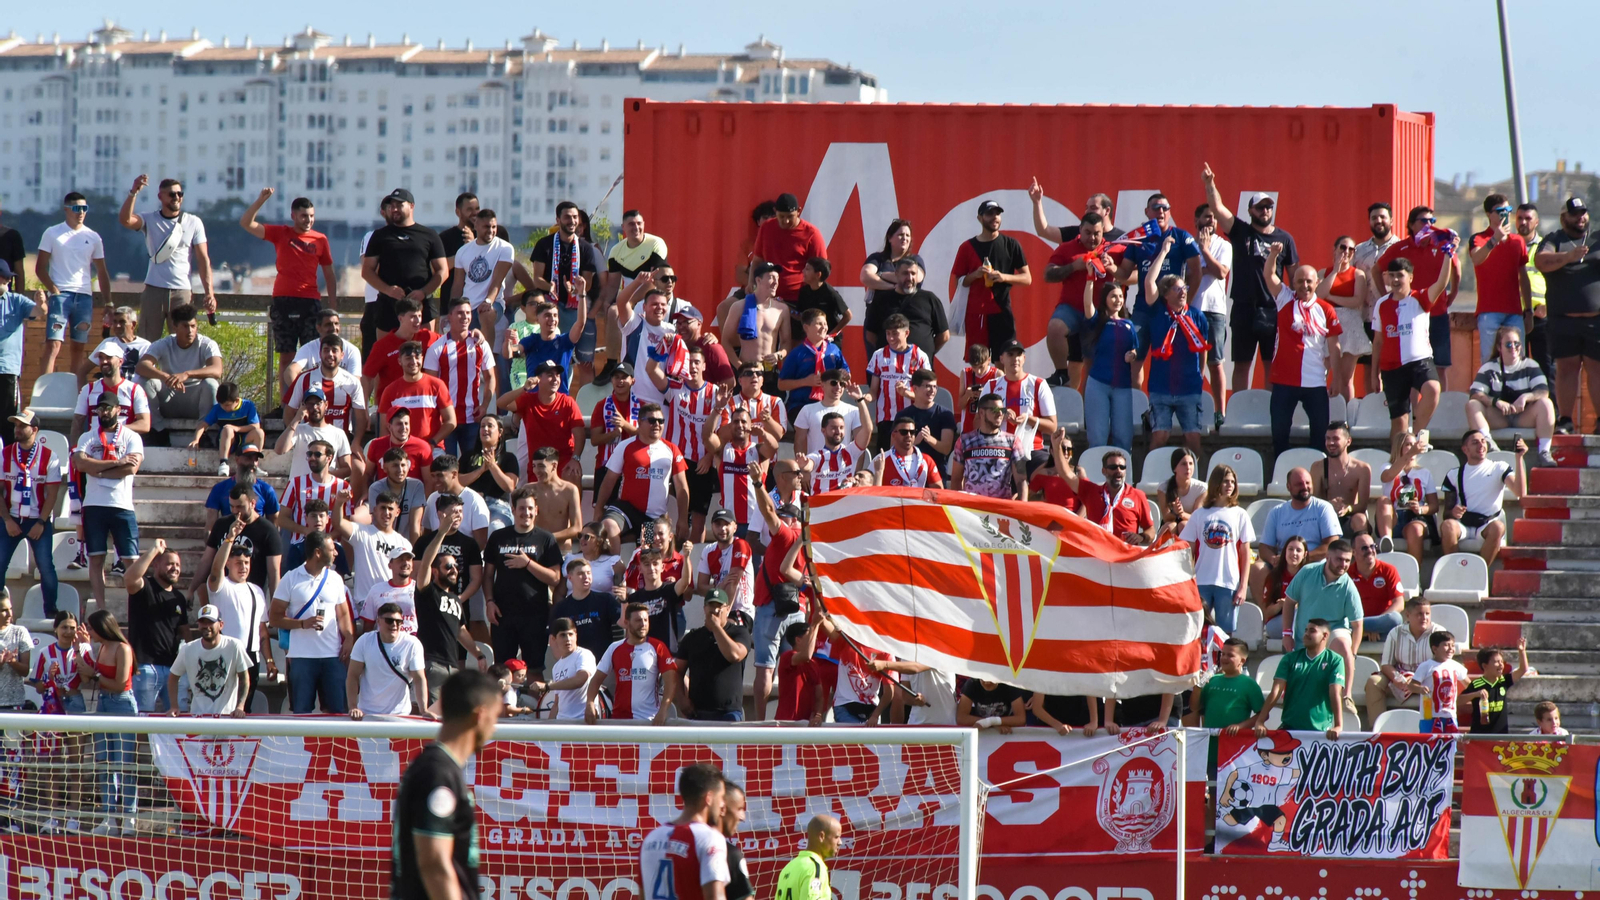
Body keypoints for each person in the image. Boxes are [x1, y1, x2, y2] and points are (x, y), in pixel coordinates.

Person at [392, 669, 500, 900]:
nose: (494, 729)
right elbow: (435, 864)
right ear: (480, 716)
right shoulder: (438, 773)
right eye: (495, 718)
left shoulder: (433, 767)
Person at [1203, 164, 1298, 393]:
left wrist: (1294, 309)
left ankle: (1268, 413)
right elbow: (1217, 207)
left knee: (1270, 364)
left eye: (1268, 207)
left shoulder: (1285, 238)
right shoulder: (1241, 231)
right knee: (1242, 364)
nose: (1265, 211)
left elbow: (1294, 278)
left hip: (1272, 308)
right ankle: (1237, 411)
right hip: (1244, 306)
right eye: (1260, 207)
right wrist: (1209, 183)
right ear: (1251, 211)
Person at [240, 189, 335, 384]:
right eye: (303, 216)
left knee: (313, 356)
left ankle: (311, 398)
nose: (308, 220)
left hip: (310, 302)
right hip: (284, 301)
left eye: (311, 216)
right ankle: (286, 404)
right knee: (286, 356)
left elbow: (330, 275)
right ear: (293, 216)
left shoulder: (320, 239)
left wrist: (332, 309)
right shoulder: (281, 233)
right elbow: (246, 223)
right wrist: (261, 200)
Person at [1262, 244, 1341, 458]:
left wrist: (1336, 378)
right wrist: (1273, 255)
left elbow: (1335, 346)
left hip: (1315, 381)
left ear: (1317, 282)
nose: (1304, 286)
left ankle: (1316, 475)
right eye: (1300, 281)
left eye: (1309, 281)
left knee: (1319, 436)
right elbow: (1269, 274)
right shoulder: (1285, 299)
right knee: (1279, 434)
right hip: (1284, 380)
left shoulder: (1326, 309)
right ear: (1293, 283)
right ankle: (1281, 472)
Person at [118, 175, 216, 339]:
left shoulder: (193, 222)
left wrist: (209, 292)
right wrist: (133, 192)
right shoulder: (149, 219)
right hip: (154, 289)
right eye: (171, 194)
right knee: (147, 340)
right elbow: (126, 220)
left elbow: (203, 259)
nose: (176, 197)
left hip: (181, 291)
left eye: (180, 194)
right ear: (160, 197)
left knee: (183, 340)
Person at [1377, 206, 1463, 382]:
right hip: (1410, 316)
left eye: (1432, 221)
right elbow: (1376, 270)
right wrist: (1383, 296)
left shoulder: (1442, 245)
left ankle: (1438, 408)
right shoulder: (1400, 248)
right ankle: (1412, 407)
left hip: (1437, 313)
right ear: (1411, 224)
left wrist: (1452, 295)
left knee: (1440, 366)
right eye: (1424, 221)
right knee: (1411, 365)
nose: (1429, 225)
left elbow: (1456, 268)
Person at [1371, 257, 1451, 447]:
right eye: (1392, 276)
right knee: (1398, 422)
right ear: (1387, 278)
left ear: (1411, 277)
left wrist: (1447, 255)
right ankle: (1397, 462)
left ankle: (1413, 437)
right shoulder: (1381, 304)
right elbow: (1378, 341)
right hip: (1391, 367)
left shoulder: (1420, 297)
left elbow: (1441, 283)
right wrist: (1375, 375)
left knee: (1433, 389)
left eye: (1400, 275)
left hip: (1419, 361)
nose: (1396, 280)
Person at [74, 394, 144, 610]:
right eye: (99, 409)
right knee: (96, 559)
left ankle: (138, 604)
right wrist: (117, 462)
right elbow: (80, 464)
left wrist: (99, 470)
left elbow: (131, 468)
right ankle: (102, 608)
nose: (103, 412)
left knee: (131, 560)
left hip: (121, 505)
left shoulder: (131, 437)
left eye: (107, 408)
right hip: (94, 505)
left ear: (118, 409)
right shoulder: (88, 437)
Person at [271, 531, 353, 714]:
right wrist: (302, 624)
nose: (336, 553)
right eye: (332, 549)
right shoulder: (290, 579)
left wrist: (349, 637)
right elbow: (274, 617)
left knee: (337, 712)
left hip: (333, 656)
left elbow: (344, 614)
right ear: (318, 552)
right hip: (302, 657)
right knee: (301, 712)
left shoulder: (335, 579)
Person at [483, 485, 563, 670]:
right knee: (502, 670)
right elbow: (488, 576)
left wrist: (527, 563)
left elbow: (555, 578)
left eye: (529, 508)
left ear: (536, 510)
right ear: (512, 509)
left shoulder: (546, 539)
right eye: (521, 508)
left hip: (535, 615)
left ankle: (534, 700)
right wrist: (489, 602)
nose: (526, 513)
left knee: (534, 669)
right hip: (502, 614)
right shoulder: (498, 537)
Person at [1282, 538, 1363, 720]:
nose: (1343, 565)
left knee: (1343, 645)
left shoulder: (1349, 586)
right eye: (1339, 559)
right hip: (1306, 633)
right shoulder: (1307, 571)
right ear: (1327, 557)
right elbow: (1289, 602)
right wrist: (1287, 633)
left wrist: (1353, 653)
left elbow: (1357, 624)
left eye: (1347, 561)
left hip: (1334, 629)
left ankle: (1347, 695)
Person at [1043, 211, 1126, 388]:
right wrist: (1074, 266)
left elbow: (1132, 276)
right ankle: (1060, 373)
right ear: (1080, 230)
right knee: (1055, 328)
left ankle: (1089, 407)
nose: (1092, 238)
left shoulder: (1116, 249)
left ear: (1103, 231)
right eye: (1088, 232)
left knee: (1090, 364)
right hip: (1071, 308)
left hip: (1100, 312)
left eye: (1097, 233)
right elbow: (1048, 275)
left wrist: (1113, 268)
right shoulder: (1066, 248)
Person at [414, 511, 490, 704]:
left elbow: (461, 631)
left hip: (453, 666)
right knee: (433, 720)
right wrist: (441, 532)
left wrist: (478, 654)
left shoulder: (455, 600)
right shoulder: (427, 591)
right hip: (431, 663)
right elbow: (424, 565)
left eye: (455, 566)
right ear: (435, 571)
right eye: (448, 566)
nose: (454, 569)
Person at [37, 192, 112, 380]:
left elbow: (102, 271)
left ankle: (75, 393)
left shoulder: (93, 236)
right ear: (66, 209)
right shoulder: (52, 233)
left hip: (84, 297)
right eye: (76, 208)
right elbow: (40, 267)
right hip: (61, 295)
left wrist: (108, 302)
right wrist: (54, 290)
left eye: (84, 208)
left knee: (79, 346)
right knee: (53, 344)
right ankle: (45, 392)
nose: (81, 213)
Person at [594, 403, 691, 547]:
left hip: (652, 518)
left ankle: (633, 542)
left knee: (647, 553)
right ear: (639, 422)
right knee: (608, 526)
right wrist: (598, 509)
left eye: (661, 421)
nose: (657, 424)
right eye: (651, 421)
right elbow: (609, 481)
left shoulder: (672, 449)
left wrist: (683, 519)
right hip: (625, 509)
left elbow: (682, 487)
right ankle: (614, 566)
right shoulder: (625, 446)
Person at [1143, 250, 1209, 454]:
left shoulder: (1197, 316)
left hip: (1189, 388)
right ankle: (1148, 473)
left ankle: (1198, 479)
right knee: (1160, 435)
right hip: (1160, 387)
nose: (1182, 292)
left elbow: (1203, 350)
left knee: (1193, 438)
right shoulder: (1157, 312)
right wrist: (1163, 252)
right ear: (1165, 294)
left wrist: (1200, 376)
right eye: (1176, 289)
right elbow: (1149, 283)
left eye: (1184, 288)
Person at [79, 609, 138, 835]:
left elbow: (120, 683)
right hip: (103, 703)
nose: (90, 632)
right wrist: (81, 649)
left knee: (124, 764)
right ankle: (109, 817)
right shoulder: (101, 647)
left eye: (92, 628)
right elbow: (90, 675)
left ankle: (129, 819)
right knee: (104, 762)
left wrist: (94, 675)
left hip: (121, 705)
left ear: (103, 627)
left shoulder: (123, 648)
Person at [362, 188, 448, 342]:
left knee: (425, 354)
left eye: (399, 205)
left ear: (412, 206)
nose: (394, 209)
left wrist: (423, 292)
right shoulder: (380, 236)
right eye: (392, 205)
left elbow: (443, 271)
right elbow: (367, 271)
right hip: (388, 305)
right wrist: (388, 290)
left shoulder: (429, 235)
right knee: (386, 354)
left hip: (421, 305)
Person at [206, 519, 274, 711]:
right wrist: (230, 537)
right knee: (225, 705)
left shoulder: (257, 591)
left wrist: (269, 660)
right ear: (228, 563)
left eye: (246, 562)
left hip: (251, 656)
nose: (243, 567)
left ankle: (241, 742)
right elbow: (215, 569)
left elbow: (262, 630)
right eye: (238, 563)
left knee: (245, 708)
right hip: (226, 653)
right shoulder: (221, 586)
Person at [1467, 325, 1559, 466]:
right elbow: (1475, 393)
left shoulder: (1530, 365)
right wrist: (1495, 402)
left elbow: (1543, 391)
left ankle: (1544, 452)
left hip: (1524, 417)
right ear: (1499, 347)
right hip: (1499, 417)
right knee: (1472, 405)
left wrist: (1525, 397)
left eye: (1517, 344)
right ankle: (1488, 443)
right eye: (1508, 344)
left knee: (1546, 403)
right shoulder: (1489, 368)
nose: (1513, 348)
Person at [1, 409, 63, 614]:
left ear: (34, 430)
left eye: (22, 426)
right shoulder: (5, 454)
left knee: (46, 566)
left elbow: (52, 494)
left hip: (37, 519)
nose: (17, 429)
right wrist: (7, 520)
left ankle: (51, 612)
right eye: (16, 425)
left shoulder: (49, 456)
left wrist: (41, 522)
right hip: (11, 517)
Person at [531, 202, 604, 377]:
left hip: (577, 306)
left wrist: (575, 288)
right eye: (567, 217)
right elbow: (536, 279)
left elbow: (588, 280)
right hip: (552, 305)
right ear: (558, 220)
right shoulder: (544, 244)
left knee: (585, 362)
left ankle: (584, 404)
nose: (572, 221)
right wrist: (551, 286)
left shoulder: (585, 248)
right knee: (556, 358)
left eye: (575, 217)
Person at [640, 764, 731, 900]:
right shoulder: (709, 838)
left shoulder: (650, 839)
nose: (723, 804)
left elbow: (643, 896)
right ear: (709, 798)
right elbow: (716, 897)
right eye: (722, 797)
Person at [1180, 466, 1254, 634]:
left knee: (1225, 634)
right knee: (1198, 631)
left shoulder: (1240, 514)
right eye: (1225, 481)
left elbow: (1245, 554)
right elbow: (1187, 552)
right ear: (1215, 483)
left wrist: (1243, 587)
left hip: (1228, 582)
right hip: (1201, 581)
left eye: (1233, 482)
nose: (1230, 485)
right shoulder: (1199, 515)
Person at [1250, 468, 1341, 603]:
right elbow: (1264, 547)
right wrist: (1274, 559)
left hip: (1313, 563)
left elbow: (1332, 544)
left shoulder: (1323, 508)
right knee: (1257, 568)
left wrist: (1300, 558)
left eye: (1308, 483)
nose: (1305, 487)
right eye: (1299, 484)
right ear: (1289, 487)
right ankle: (1266, 615)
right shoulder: (1277, 512)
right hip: (1283, 564)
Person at [137, 304, 225, 440]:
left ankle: (206, 433)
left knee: (211, 383)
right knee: (145, 381)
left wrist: (187, 374)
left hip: (195, 401)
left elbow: (217, 369)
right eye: (185, 326)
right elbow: (141, 366)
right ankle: (157, 431)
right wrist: (166, 377)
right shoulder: (164, 343)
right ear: (175, 327)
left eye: (193, 326)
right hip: (170, 399)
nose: (190, 331)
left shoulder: (207, 343)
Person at [1441, 430, 1528, 567]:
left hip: (1486, 524)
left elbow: (1520, 492)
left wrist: (1519, 458)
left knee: (1498, 527)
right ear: (1465, 449)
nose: (1481, 445)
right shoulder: (1453, 474)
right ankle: (1454, 569)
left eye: (1483, 441)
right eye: (1475, 442)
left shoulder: (1499, 467)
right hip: (1463, 524)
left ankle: (1479, 572)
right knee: (1447, 526)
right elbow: (1446, 514)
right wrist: (1453, 512)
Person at [953, 200, 1031, 351]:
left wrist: (1004, 277)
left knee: (1004, 359)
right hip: (977, 314)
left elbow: (1027, 278)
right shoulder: (967, 247)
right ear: (979, 218)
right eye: (989, 214)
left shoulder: (1011, 244)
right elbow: (959, 283)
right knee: (979, 362)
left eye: (997, 213)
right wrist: (975, 275)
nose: (994, 217)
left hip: (1002, 310)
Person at [121, 538, 187, 714]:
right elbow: (129, 578)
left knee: (179, 718)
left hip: (173, 669)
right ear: (156, 564)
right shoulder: (145, 587)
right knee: (143, 719)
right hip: (145, 666)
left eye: (178, 565)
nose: (175, 568)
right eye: (170, 564)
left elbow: (184, 631)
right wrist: (153, 550)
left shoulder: (179, 597)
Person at [425, 298, 497, 459]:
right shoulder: (437, 347)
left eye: (467, 313)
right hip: (445, 419)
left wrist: (485, 405)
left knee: (472, 464)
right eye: (459, 313)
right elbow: (429, 384)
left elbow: (491, 377)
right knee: (446, 466)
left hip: (472, 416)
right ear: (449, 317)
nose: (464, 317)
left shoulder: (480, 344)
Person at [588, 602, 678, 724]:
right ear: (626, 622)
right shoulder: (614, 648)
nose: (643, 624)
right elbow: (596, 680)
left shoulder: (658, 647)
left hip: (649, 720)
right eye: (638, 620)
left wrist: (663, 711)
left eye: (646, 620)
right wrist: (590, 703)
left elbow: (671, 681)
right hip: (619, 720)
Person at [1253, 618, 1344, 740]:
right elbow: (1276, 691)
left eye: (1312, 631)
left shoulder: (1335, 660)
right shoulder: (1290, 658)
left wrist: (1338, 725)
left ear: (1325, 636)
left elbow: (1335, 692)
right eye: (1305, 630)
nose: (1306, 634)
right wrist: (1260, 721)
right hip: (1289, 729)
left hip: (1320, 732)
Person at [1469, 193, 1530, 365]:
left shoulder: (1518, 241)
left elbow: (1523, 276)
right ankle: (1491, 391)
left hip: (1515, 311)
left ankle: (1516, 391)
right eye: (1500, 211)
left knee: (1517, 359)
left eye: (1508, 210)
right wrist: (1495, 239)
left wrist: (1529, 311)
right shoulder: (1479, 239)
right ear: (1489, 214)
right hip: (1489, 311)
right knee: (1489, 359)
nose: (1505, 214)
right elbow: (1476, 258)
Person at [1362, 597, 1443, 726]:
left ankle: (1436, 730)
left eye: (1427, 614)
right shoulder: (1395, 633)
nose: (1424, 618)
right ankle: (1377, 731)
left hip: (1428, 680)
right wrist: (1397, 678)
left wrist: (1417, 679)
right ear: (1408, 615)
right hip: (1400, 679)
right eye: (1419, 614)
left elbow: (1443, 665)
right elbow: (1386, 664)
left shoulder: (1438, 633)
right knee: (1373, 683)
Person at [501, 360, 586, 483]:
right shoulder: (528, 400)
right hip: (538, 466)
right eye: (550, 375)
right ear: (538, 378)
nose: (555, 379)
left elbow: (579, 434)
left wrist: (576, 459)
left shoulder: (568, 402)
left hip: (563, 463)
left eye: (557, 375)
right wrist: (524, 388)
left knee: (573, 472)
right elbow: (502, 403)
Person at [1080, 282, 1140, 451]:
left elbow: (1134, 349)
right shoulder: (1097, 321)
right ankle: (1095, 476)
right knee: (1097, 437)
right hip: (1098, 384)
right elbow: (1087, 304)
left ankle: (1123, 475)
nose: (1118, 300)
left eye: (1120, 296)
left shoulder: (1129, 325)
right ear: (1104, 299)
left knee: (1123, 437)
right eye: (1113, 296)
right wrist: (1091, 279)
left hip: (1122, 387)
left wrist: (1132, 355)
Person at [676, 589, 753, 721]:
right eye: (711, 606)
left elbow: (734, 655)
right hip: (698, 712)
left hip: (729, 713)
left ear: (728, 609)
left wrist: (716, 628)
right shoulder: (692, 638)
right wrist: (681, 699)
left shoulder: (739, 633)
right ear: (704, 608)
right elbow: (676, 671)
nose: (715, 610)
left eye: (720, 607)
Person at [347, 601, 430, 719]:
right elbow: (352, 676)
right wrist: (353, 707)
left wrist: (424, 710)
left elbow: (419, 678)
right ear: (378, 621)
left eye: (399, 622)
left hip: (400, 715)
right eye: (389, 621)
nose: (394, 625)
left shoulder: (412, 644)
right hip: (367, 713)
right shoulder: (364, 641)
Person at [1056, 448, 1155, 546]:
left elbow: (1151, 530)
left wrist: (1141, 537)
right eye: (1113, 467)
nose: (1118, 470)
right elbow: (1066, 474)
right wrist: (1056, 445)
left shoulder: (1137, 495)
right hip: (1098, 555)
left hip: (1126, 556)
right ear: (1104, 471)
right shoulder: (1092, 491)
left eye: (1122, 467)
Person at [168, 604, 251, 718]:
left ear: (221, 625)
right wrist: (174, 706)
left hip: (227, 717)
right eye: (202, 622)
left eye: (210, 622)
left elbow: (244, 677)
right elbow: (173, 677)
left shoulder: (234, 646)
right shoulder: (188, 649)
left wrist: (240, 706)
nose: (206, 626)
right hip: (198, 718)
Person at [982, 340, 1057, 465]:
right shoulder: (991, 386)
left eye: (1019, 354)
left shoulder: (1039, 384)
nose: (1015, 358)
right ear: (1001, 359)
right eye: (1010, 354)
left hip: (1032, 450)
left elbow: (1052, 427)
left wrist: (1028, 419)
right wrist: (999, 414)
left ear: (1024, 358)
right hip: (998, 450)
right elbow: (978, 422)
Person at [286, 335, 369, 448]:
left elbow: (361, 417)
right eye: (326, 350)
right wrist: (294, 438)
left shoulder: (352, 382)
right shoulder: (304, 378)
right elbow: (289, 412)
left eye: (334, 350)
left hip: (339, 444)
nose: (330, 354)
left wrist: (356, 442)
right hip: (308, 444)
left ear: (342, 355)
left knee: (358, 466)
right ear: (320, 354)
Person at [1315, 236, 1370, 404]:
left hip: (1350, 326)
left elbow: (1356, 301)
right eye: (1343, 247)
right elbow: (1317, 295)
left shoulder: (1358, 274)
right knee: (1319, 374)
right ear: (1335, 249)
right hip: (1326, 325)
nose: (1346, 252)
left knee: (1346, 378)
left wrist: (1331, 296)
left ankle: (1346, 418)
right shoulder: (1324, 273)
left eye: (1351, 249)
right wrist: (1335, 271)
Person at [862, 255, 948, 360]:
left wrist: (927, 352)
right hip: (889, 369)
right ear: (896, 275)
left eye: (913, 274)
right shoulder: (881, 300)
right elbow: (871, 335)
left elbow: (944, 335)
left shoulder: (930, 299)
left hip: (920, 370)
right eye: (905, 273)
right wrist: (889, 351)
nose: (910, 278)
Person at [1193, 204, 1234, 423]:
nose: (1211, 221)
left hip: (1215, 310)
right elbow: (1188, 273)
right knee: (1195, 362)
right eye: (1207, 217)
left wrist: (1205, 250)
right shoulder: (1188, 244)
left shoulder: (1224, 245)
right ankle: (1195, 408)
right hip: (1191, 308)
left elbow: (1220, 272)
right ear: (1196, 220)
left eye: (1214, 218)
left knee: (1216, 362)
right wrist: (1205, 267)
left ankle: (1220, 412)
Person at [1373, 432, 1439, 564]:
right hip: (1392, 518)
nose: (1413, 448)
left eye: (1414, 444)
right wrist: (1408, 455)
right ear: (1399, 447)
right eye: (1408, 445)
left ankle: (1415, 576)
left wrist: (1420, 509)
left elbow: (1434, 506)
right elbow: (1387, 477)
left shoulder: (1424, 473)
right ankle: (1387, 542)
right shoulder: (1387, 466)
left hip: (1415, 518)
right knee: (1382, 500)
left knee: (1415, 529)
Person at [752, 192, 826, 305]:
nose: (785, 221)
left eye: (790, 217)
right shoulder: (766, 227)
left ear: (799, 211)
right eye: (781, 216)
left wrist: (811, 296)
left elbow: (821, 270)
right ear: (775, 211)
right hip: (765, 293)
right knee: (725, 307)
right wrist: (751, 285)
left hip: (797, 297)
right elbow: (757, 261)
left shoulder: (812, 233)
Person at [379, 341, 456, 449]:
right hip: (402, 452)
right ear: (399, 361)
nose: (414, 362)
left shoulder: (437, 385)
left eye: (417, 357)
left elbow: (451, 420)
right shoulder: (390, 391)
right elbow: (384, 428)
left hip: (433, 449)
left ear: (422, 358)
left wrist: (433, 443)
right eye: (408, 358)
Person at [777, 309, 848, 422]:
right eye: (819, 323)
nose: (824, 327)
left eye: (825, 323)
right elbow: (781, 384)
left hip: (830, 404)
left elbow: (846, 373)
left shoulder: (834, 350)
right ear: (806, 327)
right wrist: (805, 382)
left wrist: (845, 375)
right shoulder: (797, 353)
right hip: (802, 405)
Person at [949, 392, 1025, 500]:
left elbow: (1021, 479)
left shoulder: (1013, 441)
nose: (1000, 414)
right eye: (994, 410)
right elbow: (956, 479)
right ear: (981, 413)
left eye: (1002, 410)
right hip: (972, 507)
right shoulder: (964, 441)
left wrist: (1022, 507)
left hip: (1001, 508)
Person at [74, 339, 152, 441]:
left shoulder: (134, 389)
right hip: (94, 446)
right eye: (101, 358)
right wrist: (75, 449)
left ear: (120, 361)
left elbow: (145, 425)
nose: (104, 361)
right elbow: (77, 423)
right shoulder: (88, 389)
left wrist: (115, 428)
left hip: (123, 446)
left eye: (109, 357)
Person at [449, 208, 515, 329]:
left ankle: (486, 348)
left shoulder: (505, 248)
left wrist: (488, 301)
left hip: (494, 302)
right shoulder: (463, 251)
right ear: (476, 225)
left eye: (494, 227)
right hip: (468, 303)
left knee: (486, 313)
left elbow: (497, 281)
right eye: (486, 227)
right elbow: (458, 285)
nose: (491, 231)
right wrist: (452, 310)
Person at [365, 298, 441, 402]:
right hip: (391, 405)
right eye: (413, 317)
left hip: (420, 402)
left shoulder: (428, 337)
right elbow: (366, 377)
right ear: (401, 318)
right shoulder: (382, 346)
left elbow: (449, 341)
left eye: (419, 316)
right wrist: (363, 408)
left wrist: (470, 335)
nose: (418, 320)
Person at [507, 298, 587, 396]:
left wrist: (581, 294)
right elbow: (511, 353)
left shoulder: (565, 341)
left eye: (555, 315)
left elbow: (580, 323)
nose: (552, 319)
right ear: (537, 319)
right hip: (534, 399)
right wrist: (507, 342)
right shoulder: (531, 340)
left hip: (559, 400)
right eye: (547, 315)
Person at [861, 219, 917, 354]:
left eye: (908, 235)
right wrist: (894, 287)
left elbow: (918, 277)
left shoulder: (914, 260)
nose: (905, 238)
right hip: (878, 321)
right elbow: (866, 276)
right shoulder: (878, 258)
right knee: (877, 363)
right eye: (900, 235)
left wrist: (880, 275)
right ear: (890, 238)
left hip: (906, 320)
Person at [551, 556, 623, 661]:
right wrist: (564, 663)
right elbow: (553, 640)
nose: (586, 577)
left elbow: (623, 624)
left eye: (588, 573)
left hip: (605, 664)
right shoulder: (561, 608)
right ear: (570, 578)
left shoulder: (605, 600)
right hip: (576, 665)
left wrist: (624, 601)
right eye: (580, 574)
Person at [527, 617, 596, 721]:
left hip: (582, 720)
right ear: (554, 639)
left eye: (571, 634)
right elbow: (557, 702)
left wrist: (547, 686)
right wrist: (549, 728)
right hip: (562, 722)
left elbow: (580, 680)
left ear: (576, 635)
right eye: (563, 635)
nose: (568, 639)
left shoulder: (584, 655)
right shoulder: (557, 667)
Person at [1311, 421, 1372, 537]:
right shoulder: (1317, 467)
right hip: (1325, 517)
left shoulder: (1362, 468)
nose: (1330, 443)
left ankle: (1361, 551)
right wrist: (1329, 505)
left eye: (1335, 439)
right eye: (1327, 439)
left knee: (1360, 519)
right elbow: (1314, 501)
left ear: (1348, 441)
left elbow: (1363, 505)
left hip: (1350, 517)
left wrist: (1347, 508)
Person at [283, 308, 362, 394]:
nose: (333, 328)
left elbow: (355, 381)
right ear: (318, 328)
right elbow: (290, 371)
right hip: (315, 398)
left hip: (342, 397)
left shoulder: (352, 350)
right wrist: (302, 395)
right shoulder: (309, 348)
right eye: (328, 325)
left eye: (336, 324)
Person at [191, 382, 265, 473]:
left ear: (237, 400)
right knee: (227, 429)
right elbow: (203, 425)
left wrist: (236, 428)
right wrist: (196, 439)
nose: (224, 407)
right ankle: (223, 463)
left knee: (259, 432)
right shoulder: (218, 408)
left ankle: (254, 465)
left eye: (227, 405)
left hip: (245, 441)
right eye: (221, 404)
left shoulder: (248, 405)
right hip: (227, 440)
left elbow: (255, 426)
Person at [1462, 638, 1530, 734]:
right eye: (1497, 662)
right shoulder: (1477, 684)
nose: (1501, 665)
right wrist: (1475, 694)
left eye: (1502, 662)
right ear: (1485, 666)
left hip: (1500, 735)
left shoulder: (1504, 681)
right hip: (1480, 736)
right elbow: (1458, 701)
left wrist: (1522, 651)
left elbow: (1523, 669)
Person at [1517, 203, 1554, 385]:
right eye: (1520, 218)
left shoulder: (1545, 248)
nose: (1523, 222)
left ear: (1536, 222)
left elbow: (1556, 280)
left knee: (1545, 367)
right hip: (1514, 315)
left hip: (1541, 315)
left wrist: (1548, 306)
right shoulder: (1509, 246)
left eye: (1528, 218)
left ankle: (1551, 411)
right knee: (1515, 369)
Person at [1195, 638, 1263, 734]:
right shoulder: (1212, 680)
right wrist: (1198, 686)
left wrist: (1240, 726)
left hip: (1234, 742)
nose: (1224, 658)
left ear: (1242, 661)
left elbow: (1263, 714)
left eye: (1230, 655)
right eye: (1223, 654)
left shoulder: (1249, 684)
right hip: (1209, 740)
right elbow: (1195, 708)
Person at [1348, 533, 1405, 640]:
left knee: (1395, 619)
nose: (1370, 550)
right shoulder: (1347, 574)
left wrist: (1377, 624)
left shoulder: (1388, 570)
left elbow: (1399, 603)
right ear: (1353, 552)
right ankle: (1362, 631)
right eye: (1364, 548)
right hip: (1355, 624)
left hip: (1381, 626)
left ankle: (1362, 630)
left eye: (1372, 546)